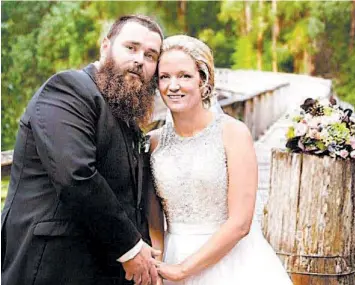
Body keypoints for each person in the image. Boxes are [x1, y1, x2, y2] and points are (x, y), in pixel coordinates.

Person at [1, 15, 163, 285]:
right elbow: (75, 175)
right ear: (105, 46)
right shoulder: (68, 90)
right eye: (131, 48)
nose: (139, 60)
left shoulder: (124, 112)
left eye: (150, 55)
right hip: (52, 267)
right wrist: (132, 247)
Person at [148, 35, 293, 284]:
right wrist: (159, 268)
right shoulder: (152, 142)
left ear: (203, 80)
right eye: (165, 77)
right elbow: (153, 220)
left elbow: (241, 223)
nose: (173, 86)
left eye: (184, 76)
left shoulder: (233, 133)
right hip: (171, 258)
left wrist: (183, 270)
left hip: (231, 260)